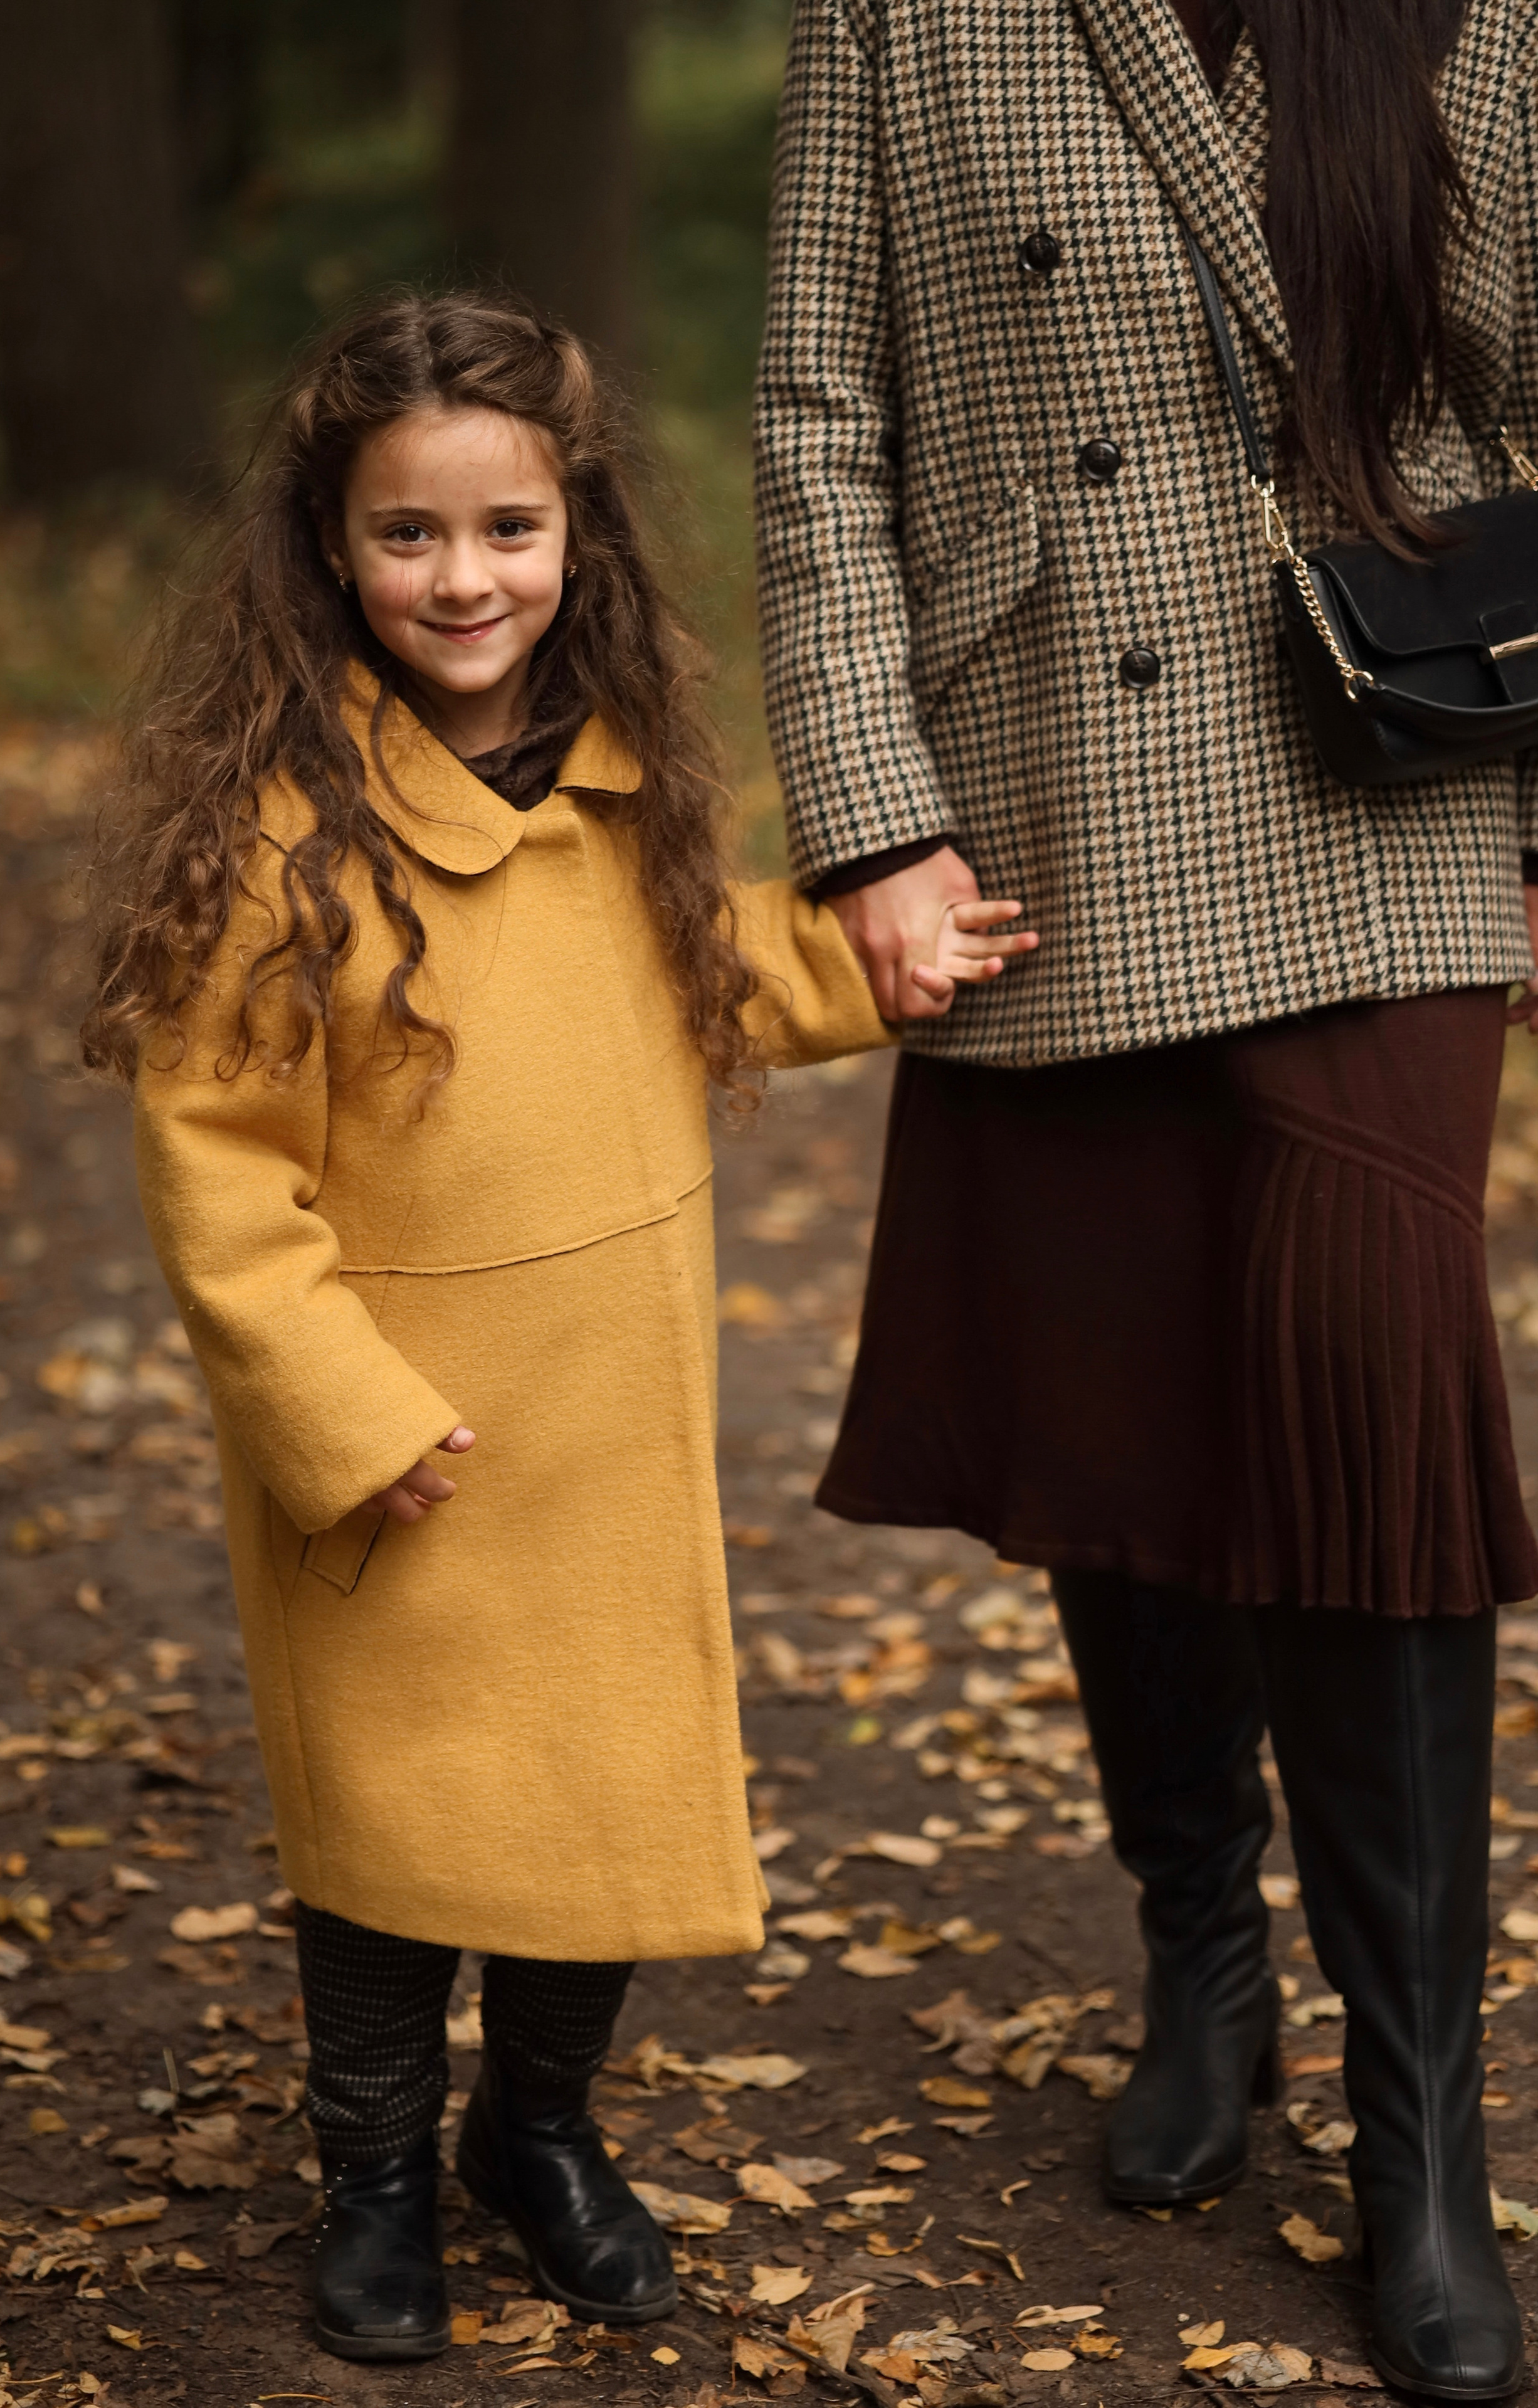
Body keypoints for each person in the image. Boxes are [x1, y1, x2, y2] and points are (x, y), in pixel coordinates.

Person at [81, 292, 1031, 2365]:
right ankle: (374, 2179)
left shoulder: (620, 788)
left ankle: (541, 2135)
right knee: (396, 1830)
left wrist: (881, 956)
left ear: (574, 533)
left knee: (598, 1805)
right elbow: (220, 1175)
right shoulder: (280, 841)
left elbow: (707, 973)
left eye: (508, 528)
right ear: (331, 548)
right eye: (408, 534)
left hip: (605, 1430)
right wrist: (339, 1412)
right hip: (402, 1450)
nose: (464, 578)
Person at [754, 0, 1538, 2399]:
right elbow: (824, 415)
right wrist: (874, 812)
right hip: (1047, 792)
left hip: (1391, 774)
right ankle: (1202, 1955)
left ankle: (1423, 2141)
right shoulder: (905, 12)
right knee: (1121, 1395)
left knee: (1376, 1437)